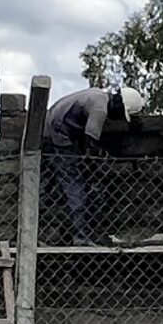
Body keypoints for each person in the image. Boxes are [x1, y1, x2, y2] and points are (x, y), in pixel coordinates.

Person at [44, 86, 126, 243]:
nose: (118, 119)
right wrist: (96, 167)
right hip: (58, 134)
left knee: (50, 186)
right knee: (76, 184)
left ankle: (54, 234)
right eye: (121, 115)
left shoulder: (98, 95)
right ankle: (81, 237)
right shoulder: (100, 109)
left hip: (54, 127)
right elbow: (91, 141)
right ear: (118, 106)